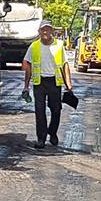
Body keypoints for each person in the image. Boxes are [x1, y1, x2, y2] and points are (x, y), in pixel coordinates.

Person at [22, 19, 73, 149]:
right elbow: (28, 66)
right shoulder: (34, 46)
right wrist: (26, 86)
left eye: (48, 29)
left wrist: (68, 84)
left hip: (54, 82)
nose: (45, 32)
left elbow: (65, 65)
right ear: (39, 31)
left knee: (56, 110)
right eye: (43, 29)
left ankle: (53, 132)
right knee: (39, 111)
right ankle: (41, 138)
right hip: (39, 82)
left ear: (52, 31)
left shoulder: (59, 45)